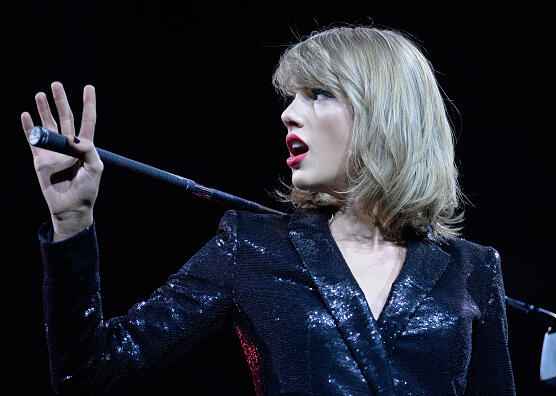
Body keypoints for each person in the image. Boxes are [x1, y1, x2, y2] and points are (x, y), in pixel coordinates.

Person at [21, 26, 515, 395]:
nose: (288, 113)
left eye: (318, 94)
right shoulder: (252, 245)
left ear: (383, 114)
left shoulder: (472, 269)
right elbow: (89, 375)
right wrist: (71, 224)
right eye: (291, 96)